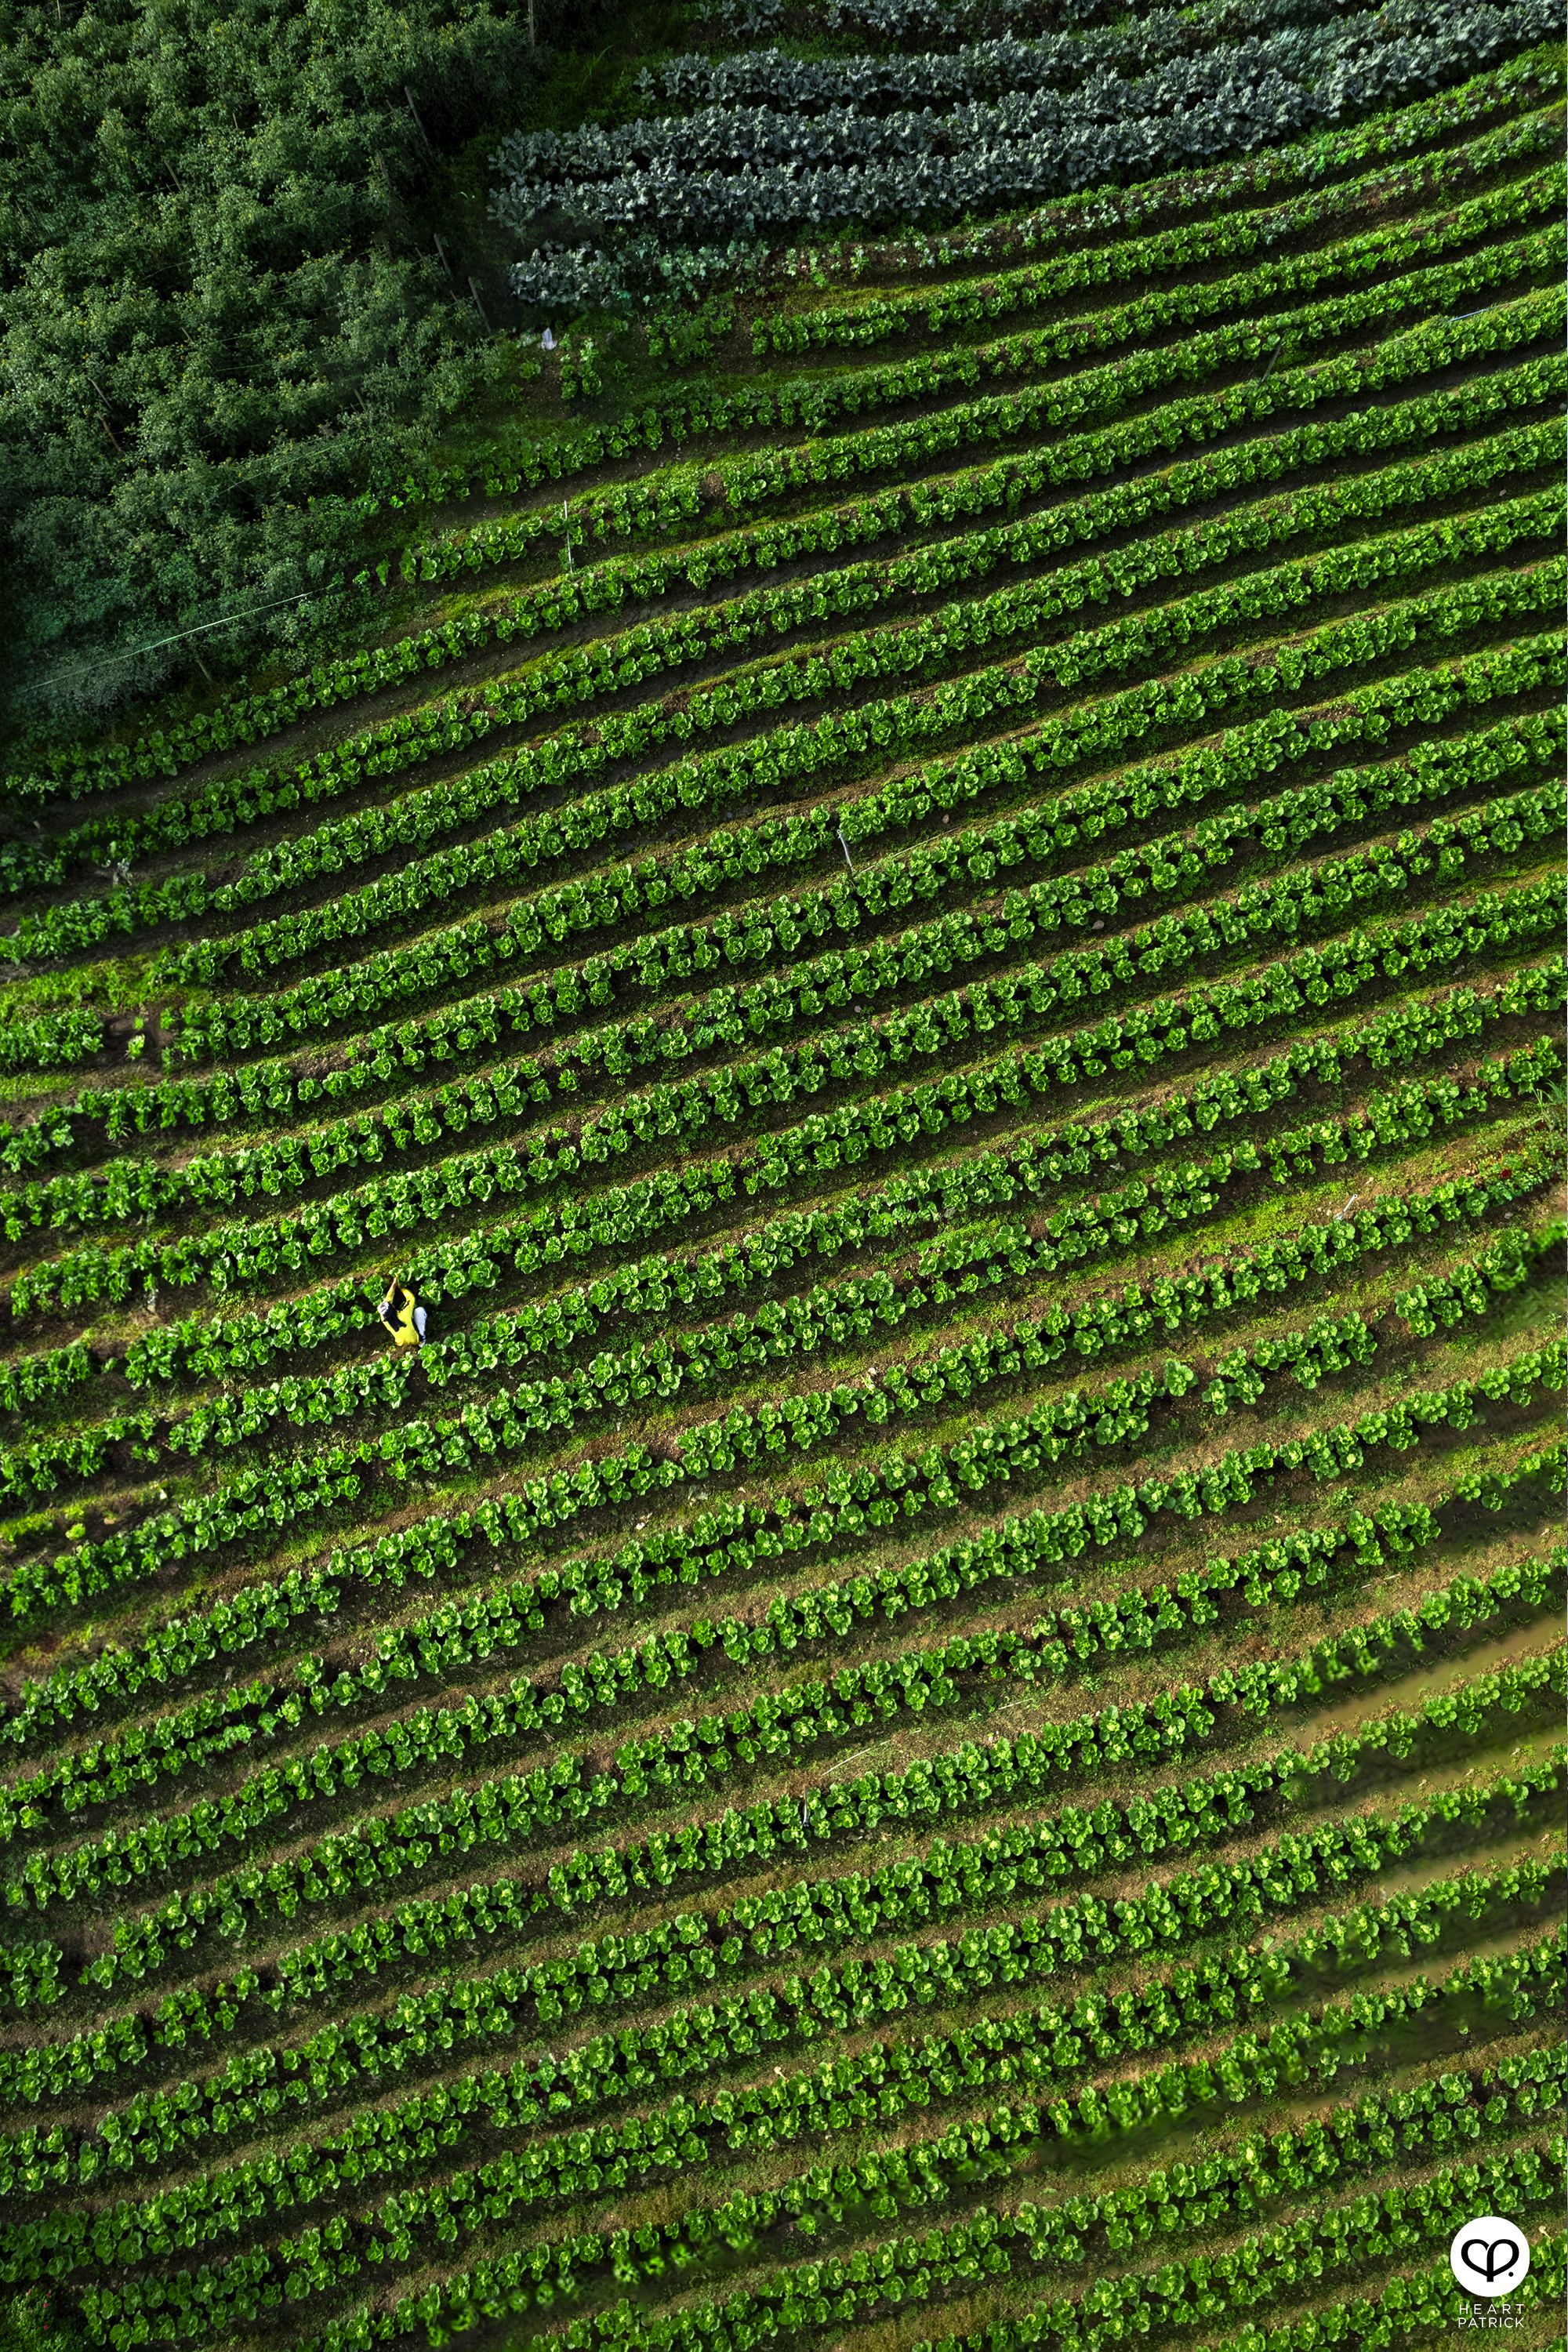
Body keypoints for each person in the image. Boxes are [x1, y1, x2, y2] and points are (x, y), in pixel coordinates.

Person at [377, 1279, 426, 1348]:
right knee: (420, 1311)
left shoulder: (384, 1319)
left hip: (400, 1343)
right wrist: (402, 1288)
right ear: (392, 1307)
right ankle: (421, 1341)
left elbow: (388, 1301)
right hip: (415, 1339)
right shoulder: (405, 1313)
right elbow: (411, 1298)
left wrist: (393, 1285)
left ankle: (408, 1342)